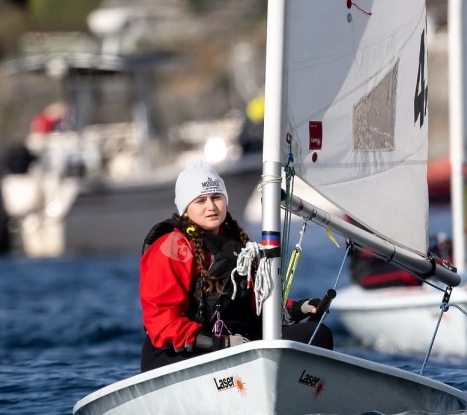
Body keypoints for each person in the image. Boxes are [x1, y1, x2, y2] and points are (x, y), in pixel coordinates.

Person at [140, 159, 333, 372]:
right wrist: (219, 343)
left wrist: (297, 309)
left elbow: (254, 305)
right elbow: (161, 322)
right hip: (183, 353)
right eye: (200, 201)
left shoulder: (237, 243)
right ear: (185, 210)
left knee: (316, 334)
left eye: (216, 197)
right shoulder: (170, 248)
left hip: (235, 345)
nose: (211, 207)